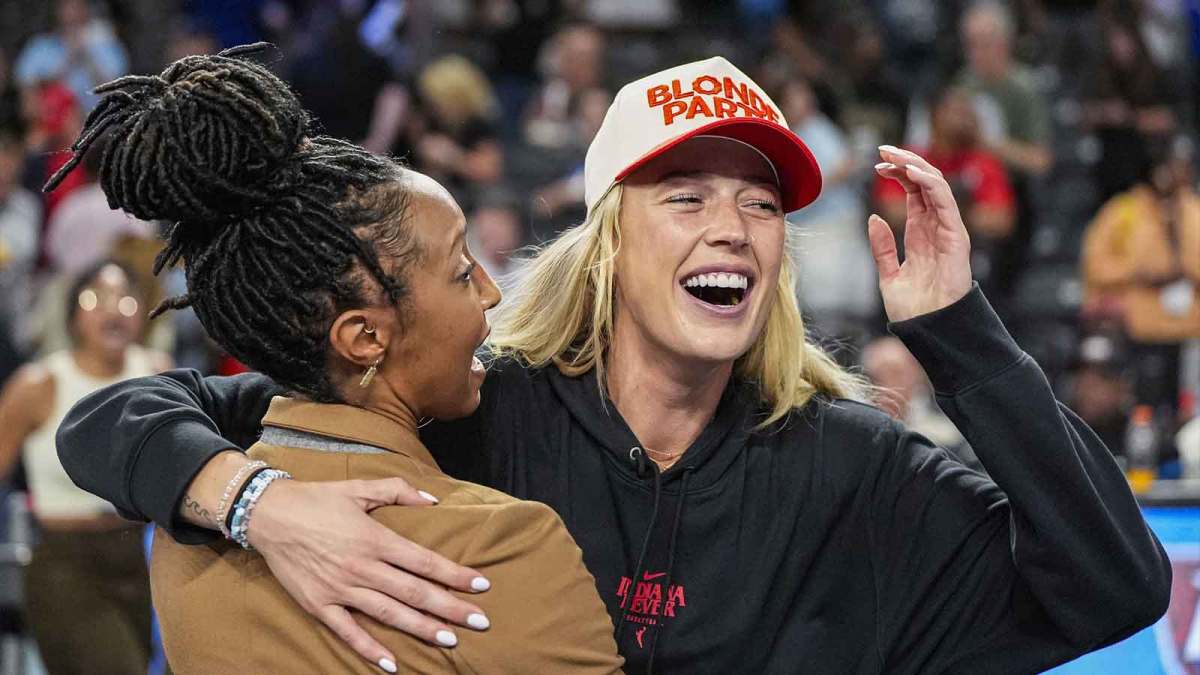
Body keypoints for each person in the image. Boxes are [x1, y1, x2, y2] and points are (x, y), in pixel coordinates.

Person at [57, 55, 1170, 674]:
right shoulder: (474, 410)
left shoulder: (862, 472)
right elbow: (112, 422)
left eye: (759, 203)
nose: (731, 226)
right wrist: (252, 501)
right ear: (607, 241)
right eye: (684, 197)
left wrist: (960, 330)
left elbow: (1115, 586)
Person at [44, 44, 623, 675]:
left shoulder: (191, 535)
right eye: (461, 271)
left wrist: (247, 502)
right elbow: (99, 418)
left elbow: (111, 419)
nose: (490, 290)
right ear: (364, 339)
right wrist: (256, 504)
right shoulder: (503, 547)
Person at [0, 260, 170, 675]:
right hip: (64, 564)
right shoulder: (39, 384)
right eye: (96, 298)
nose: (113, 310)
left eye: (126, 299)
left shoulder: (158, 375)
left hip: (140, 557)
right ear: (75, 316)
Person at [1081, 140, 1200, 408]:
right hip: (1137, 329)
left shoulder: (1194, 211)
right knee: (1142, 405)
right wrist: (1138, 273)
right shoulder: (1124, 211)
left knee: (1186, 406)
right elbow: (1096, 265)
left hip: (1191, 331)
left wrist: (1181, 252)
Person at [876, 84, 1015, 293]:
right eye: (957, 111)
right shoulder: (910, 159)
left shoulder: (984, 163)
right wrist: (957, 211)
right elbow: (892, 211)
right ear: (935, 115)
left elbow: (1000, 219)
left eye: (969, 113)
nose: (966, 119)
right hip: (916, 255)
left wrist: (936, 213)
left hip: (970, 261)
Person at [13, 0, 128, 111]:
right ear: (57, 11)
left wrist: (88, 56)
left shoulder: (106, 45)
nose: (72, 14)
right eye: (66, 7)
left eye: (77, 7)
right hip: (53, 120)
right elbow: (27, 99)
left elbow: (115, 94)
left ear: (86, 11)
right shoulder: (40, 46)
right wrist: (68, 60)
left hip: (98, 122)